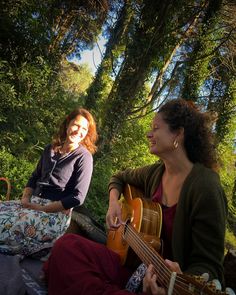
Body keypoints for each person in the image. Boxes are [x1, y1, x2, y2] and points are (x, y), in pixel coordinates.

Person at [43, 99, 227, 295]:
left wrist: (171, 286)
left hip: (163, 284)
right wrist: (114, 203)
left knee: (70, 273)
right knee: (66, 245)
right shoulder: (156, 172)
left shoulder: (206, 187)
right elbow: (119, 177)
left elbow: (209, 266)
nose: (149, 134)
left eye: (156, 128)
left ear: (178, 134)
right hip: (131, 265)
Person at [0, 108, 98, 257]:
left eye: (84, 128)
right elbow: (34, 177)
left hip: (54, 214)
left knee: (4, 224)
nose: (79, 131)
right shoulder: (49, 149)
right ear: (67, 125)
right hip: (31, 203)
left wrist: (41, 209)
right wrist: (25, 198)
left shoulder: (84, 157)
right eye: (76, 125)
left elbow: (78, 197)